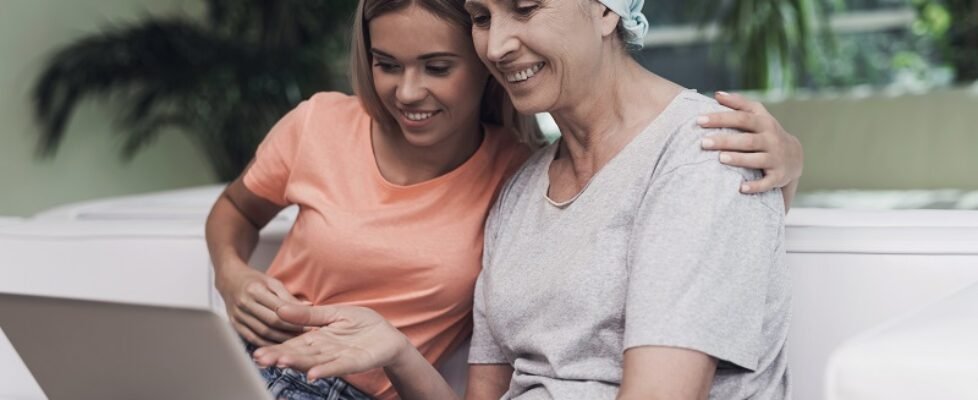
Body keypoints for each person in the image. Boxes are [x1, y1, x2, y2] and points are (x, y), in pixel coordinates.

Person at [223, 0, 800, 399]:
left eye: (525, 8)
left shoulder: (707, 154)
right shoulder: (520, 188)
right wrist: (394, 350)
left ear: (607, 9)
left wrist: (791, 163)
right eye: (479, 17)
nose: (495, 45)